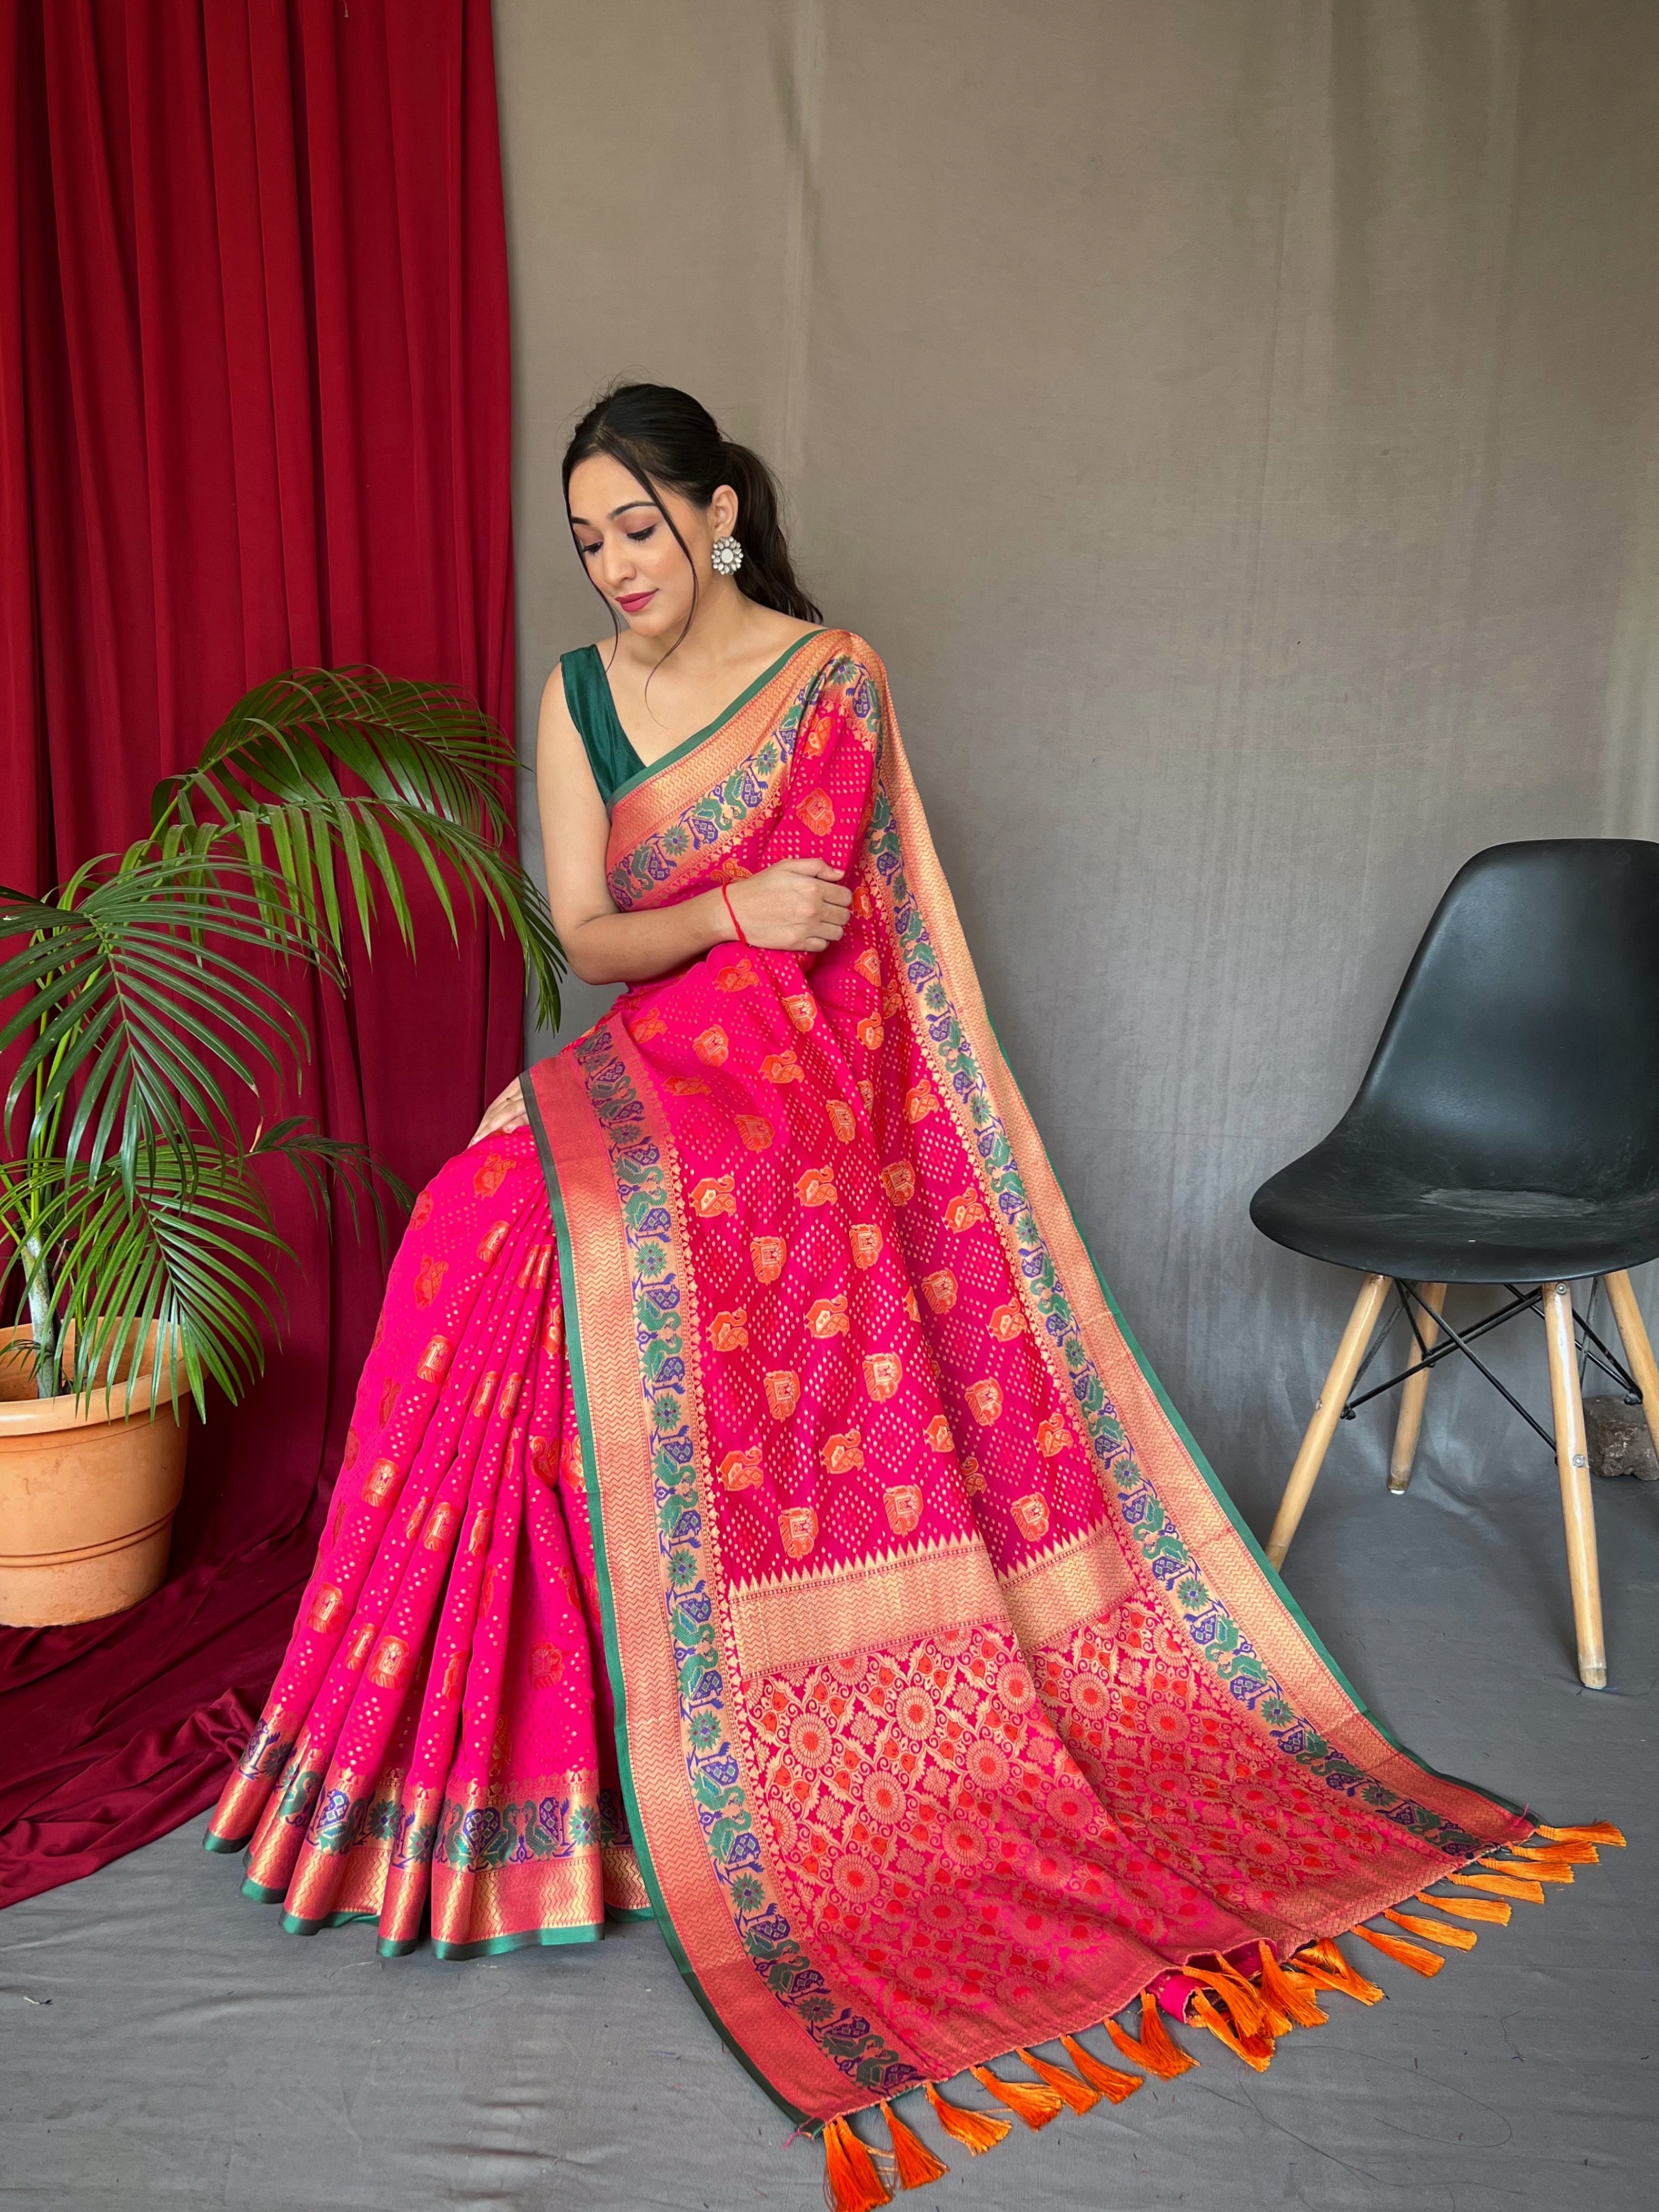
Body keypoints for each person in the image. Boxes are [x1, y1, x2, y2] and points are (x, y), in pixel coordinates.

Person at [207, 383, 1589, 2202]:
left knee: (588, 1244)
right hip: (656, 1054)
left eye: (639, 527)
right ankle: (500, 1781)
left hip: (790, 1091)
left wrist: (747, 978)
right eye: (588, 540)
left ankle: (665, 1767)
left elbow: (849, 965)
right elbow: (583, 934)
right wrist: (694, 941)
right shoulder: (574, 698)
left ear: (713, 513)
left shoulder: (828, 676)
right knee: (478, 1235)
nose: (616, 568)